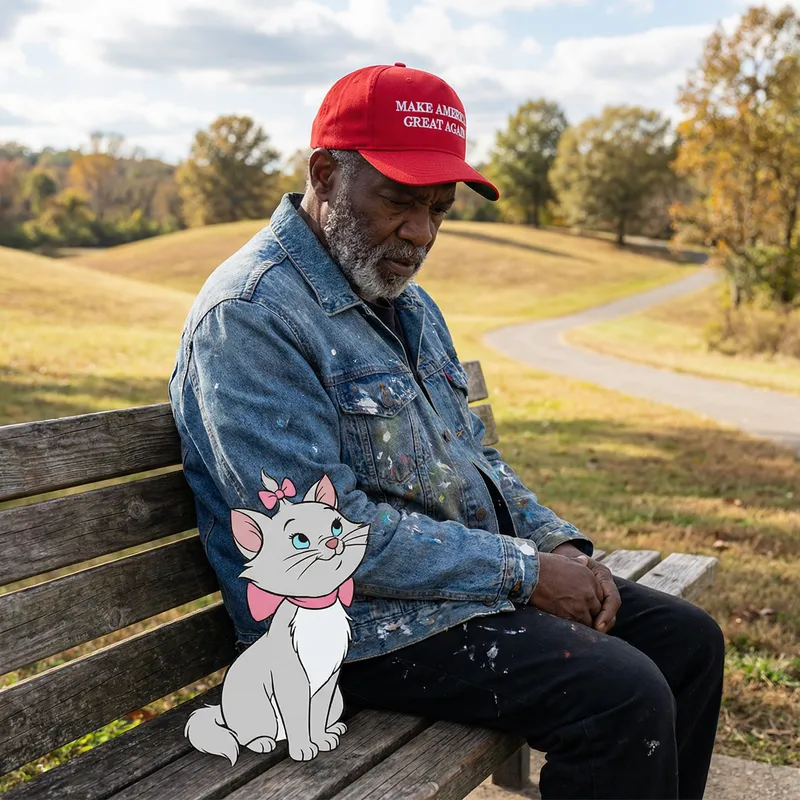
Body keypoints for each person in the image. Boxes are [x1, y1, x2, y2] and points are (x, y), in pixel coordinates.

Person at [169, 63, 724, 799]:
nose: (421, 233)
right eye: (399, 201)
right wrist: (523, 572)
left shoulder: (409, 303)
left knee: (688, 642)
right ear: (327, 174)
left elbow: (473, 458)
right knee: (619, 695)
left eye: (440, 209)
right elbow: (320, 539)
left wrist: (555, 544)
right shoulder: (250, 317)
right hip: (344, 632)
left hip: (444, 594)